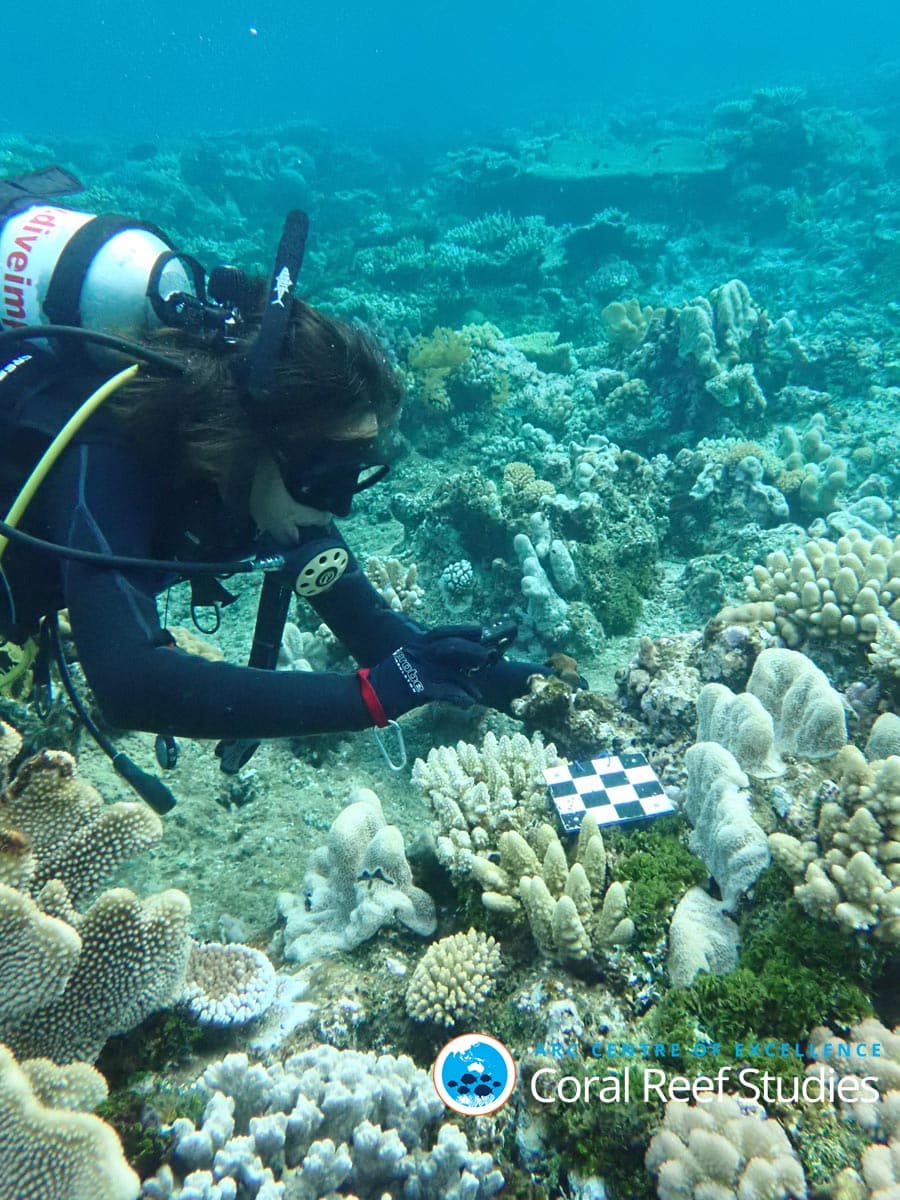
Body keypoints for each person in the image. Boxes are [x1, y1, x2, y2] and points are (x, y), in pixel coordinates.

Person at [0, 184, 547, 768]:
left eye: (352, 473)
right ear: (257, 441)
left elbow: (368, 626)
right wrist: (370, 696)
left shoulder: (262, 478)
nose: (337, 510)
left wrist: (520, 686)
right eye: (326, 474)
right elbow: (130, 682)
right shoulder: (105, 456)